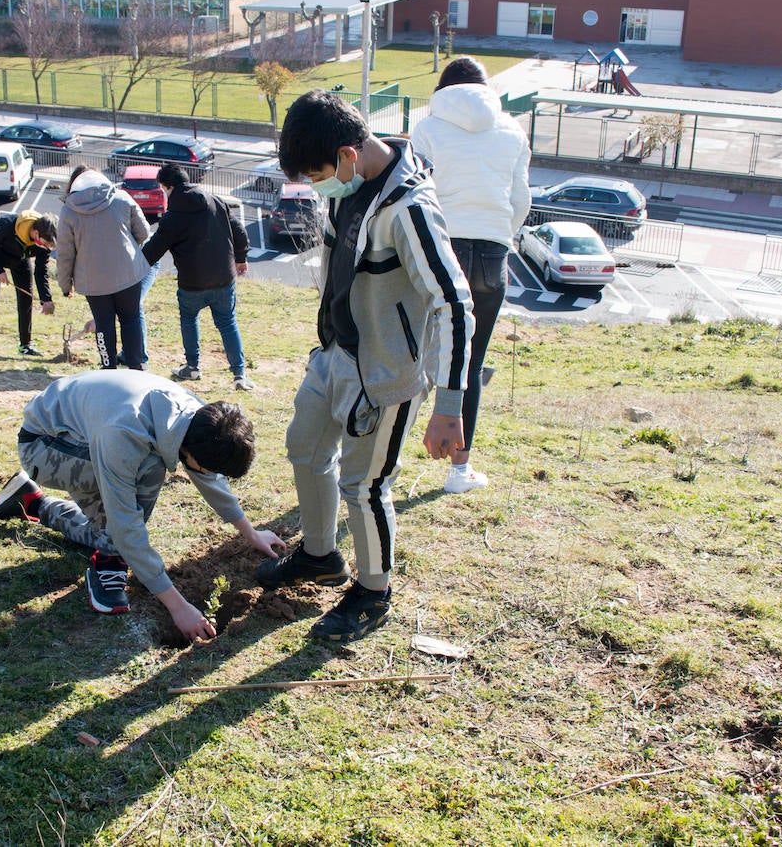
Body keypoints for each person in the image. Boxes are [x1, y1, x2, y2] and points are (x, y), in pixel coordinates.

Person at [260, 89, 474, 643]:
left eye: (318, 172)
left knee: (366, 485)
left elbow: (453, 303)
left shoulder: (411, 209)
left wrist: (449, 406)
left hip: (385, 374)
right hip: (335, 352)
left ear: (349, 154)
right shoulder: (348, 187)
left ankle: (373, 591)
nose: (316, 186)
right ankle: (319, 554)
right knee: (305, 449)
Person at [0, 369, 283, 641]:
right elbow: (125, 523)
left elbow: (208, 477)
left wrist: (250, 532)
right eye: (209, 468)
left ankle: (31, 503)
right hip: (43, 446)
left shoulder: (198, 419)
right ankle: (109, 563)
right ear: (193, 454)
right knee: (147, 472)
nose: (212, 476)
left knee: (129, 496)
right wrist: (178, 607)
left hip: (78, 434)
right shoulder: (124, 436)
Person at [411, 57, 530, 494]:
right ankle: (460, 471)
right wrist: (498, 234)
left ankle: (386, 454)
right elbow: (520, 201)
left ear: (444, 89)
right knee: (470, 363)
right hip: (492, 252)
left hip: (441, 247)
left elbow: (417, 193)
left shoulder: (427, 128)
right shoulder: (513, 131)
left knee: (417, 358)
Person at [143, 163, 255, 392]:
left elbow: (153, 251)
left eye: (163, 190)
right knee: (227, 323)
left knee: (189, 319)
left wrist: (135, 262)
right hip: (224, 277)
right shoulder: (215, 201)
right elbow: (239, 230)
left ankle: (193, 366)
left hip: (191, 281)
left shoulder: (172, 217)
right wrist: (241, 257)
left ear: (169, 187)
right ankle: (239, 374)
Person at [56, 166, 151, 370]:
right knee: (131, 318)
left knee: (103, 323)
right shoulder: (122, 198)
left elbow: (65, 253)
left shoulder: (68, 210)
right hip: (128, 272)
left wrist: (65, 285)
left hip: (93, 280)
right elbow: (143, 232)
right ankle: (136, 366)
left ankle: (108, 366)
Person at [0, 210, 57, 356]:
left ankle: (25, 345)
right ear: (36, 232)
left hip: (20, 260)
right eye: (45, 243)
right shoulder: (6, 226)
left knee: (26, 298)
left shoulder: (44, 246)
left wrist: (46, 299)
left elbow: (41, 271)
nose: (46, 247)